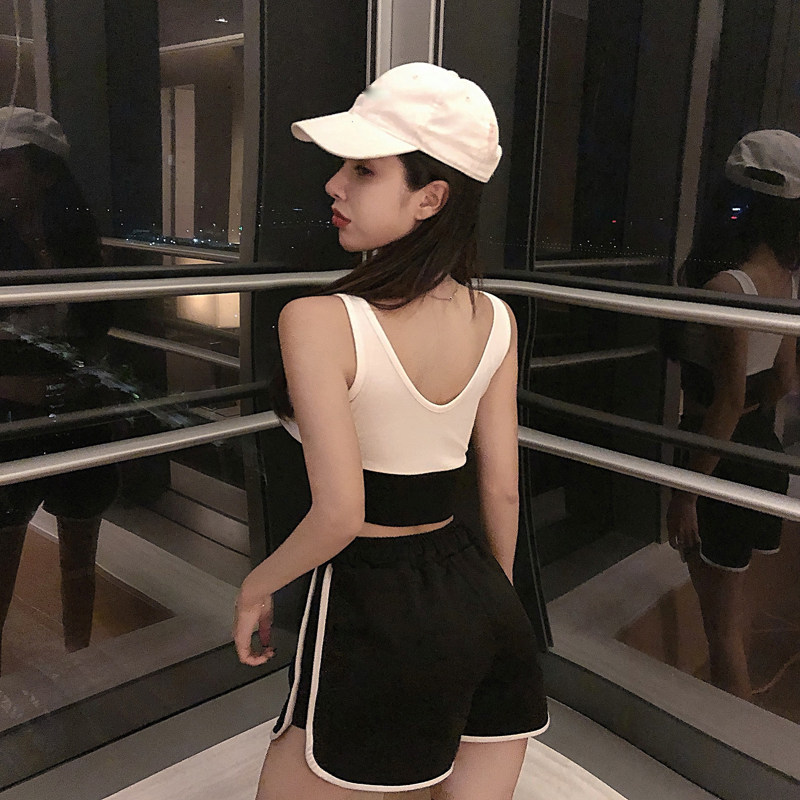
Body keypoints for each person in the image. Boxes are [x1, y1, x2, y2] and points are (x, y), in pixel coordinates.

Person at [232, 63, 548, 799]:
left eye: (363, 169)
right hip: (480, 590)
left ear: (431, 197)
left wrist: (255, 587)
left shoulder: (317, 320)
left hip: (371, 602)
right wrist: (488, 607)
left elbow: (341, 514)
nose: (333, 185)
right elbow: (502, 491)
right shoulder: (495, 318)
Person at [668, 129, 800, 699]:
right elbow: (783, 380)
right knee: (731, 617)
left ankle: (725, 738)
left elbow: (722, 400)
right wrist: (744, 414)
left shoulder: (727, 285)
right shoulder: (784, 280)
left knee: (719, 632)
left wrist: (685, 493)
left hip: (714, 456)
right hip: (759, 450)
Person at [0, 107, 119, 670]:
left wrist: (85, 379)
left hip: (79, 414)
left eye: (7, 163)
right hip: (9, 416)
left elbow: (97, 327)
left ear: (43, 172)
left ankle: (79, 660)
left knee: (80, 555)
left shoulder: (77, 242)